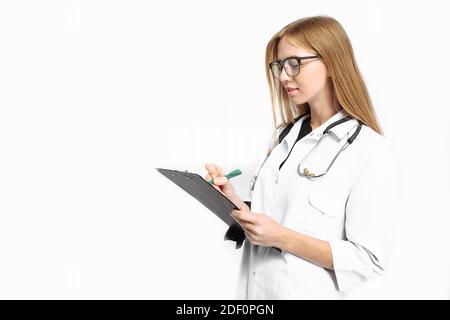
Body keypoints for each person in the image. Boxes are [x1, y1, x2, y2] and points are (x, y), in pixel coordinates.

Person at [204, 15, 398, 299]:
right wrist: (232, 198)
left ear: (331, 62)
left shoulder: (369, 150)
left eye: (294, 63)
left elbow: (369, 258)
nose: (284, 75)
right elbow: (273, 218)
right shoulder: (283, 137)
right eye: (280, 66)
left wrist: (282, 238)